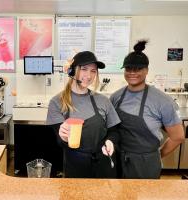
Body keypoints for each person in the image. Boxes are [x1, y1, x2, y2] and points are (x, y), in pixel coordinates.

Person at [110, 40, 185, 179]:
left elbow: (178, 136)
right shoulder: (115, 97)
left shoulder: (161, 100)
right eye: (128, 68)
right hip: (119, 159)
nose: (132, 73)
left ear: (146, 70)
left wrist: (156, 155)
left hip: (146, 164)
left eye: (137, 69)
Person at [46, 51, 121, 178]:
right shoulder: (57, 102)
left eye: (93, 71)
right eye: (84, 69)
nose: (89, 75)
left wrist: (110, 141)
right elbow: (59, 141)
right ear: (72, 71)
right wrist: (64, 137)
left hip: (103, 164)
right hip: (75, 166)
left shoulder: (103, 100)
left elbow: (114, 131)